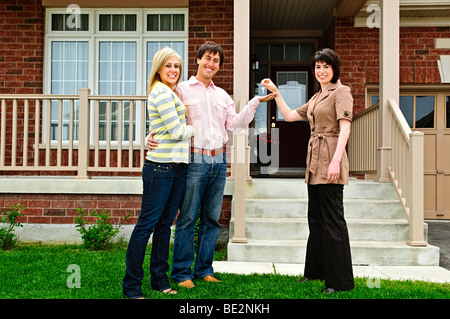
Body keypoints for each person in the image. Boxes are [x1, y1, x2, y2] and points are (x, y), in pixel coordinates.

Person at [148, 41, 275, 289]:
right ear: (198, 60)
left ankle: (204, 269)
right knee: (187, 218)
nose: (211, 63)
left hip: (219, 160)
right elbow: (164, 119)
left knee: (211, 218)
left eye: (216, 60)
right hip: (194, 159)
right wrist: (150, 136)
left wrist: (254, 102)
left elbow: (235, 125)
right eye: (207, 58)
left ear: (219, 66)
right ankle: (182, 273)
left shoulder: (222, 95)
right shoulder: (181, 90)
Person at [262, 48, 354, 293]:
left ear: (334, 68)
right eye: (317, 67)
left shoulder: (341, 92)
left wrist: (335, 161)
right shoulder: (315, 98)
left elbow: (344, 129)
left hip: (331, 157)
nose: (321, 71)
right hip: (315, 162)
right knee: (315, 218)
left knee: (332, 220)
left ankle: (339, 281)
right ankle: (314, 272)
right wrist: (277, 93)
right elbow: (290, 116)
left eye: (326, 66)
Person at [122, 47, 195, 299]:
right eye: (169, 66)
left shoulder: (171, 92)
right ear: (159, 69)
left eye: (177, 66)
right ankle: (131, 286)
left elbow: (161, 129)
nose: (174, 70)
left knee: (165, 226)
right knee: (147, 226)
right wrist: (193, 128)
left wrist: (156, 134)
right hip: (160, 169)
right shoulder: (162, 92)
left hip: (176, 168)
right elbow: (176, 132)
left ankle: (159, 280)